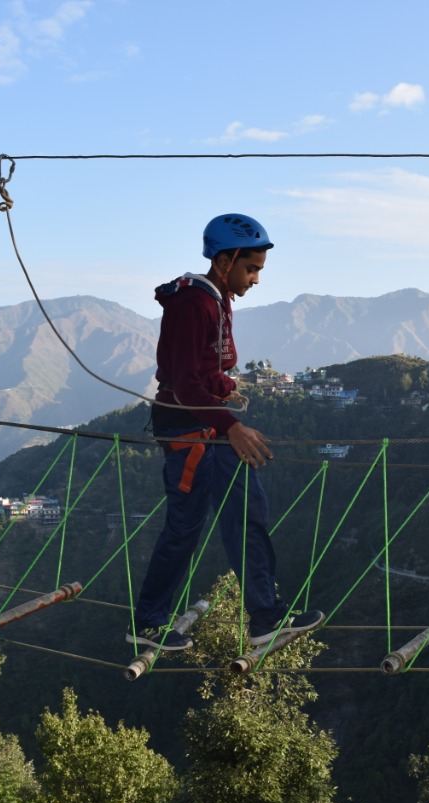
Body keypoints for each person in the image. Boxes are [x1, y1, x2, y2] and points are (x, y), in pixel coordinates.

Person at [129, 213, 323, 652]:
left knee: (237, 519)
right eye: (250, 268)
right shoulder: (193, 304)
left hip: (203, 423)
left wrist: (225, 388)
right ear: (225, 260)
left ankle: (262, 616)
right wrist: (231, 425)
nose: (255, 279)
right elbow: (183, 380)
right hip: (192, 430)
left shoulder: (215, 298)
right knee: (195, 525)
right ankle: (153, 621)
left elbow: (201, 370)